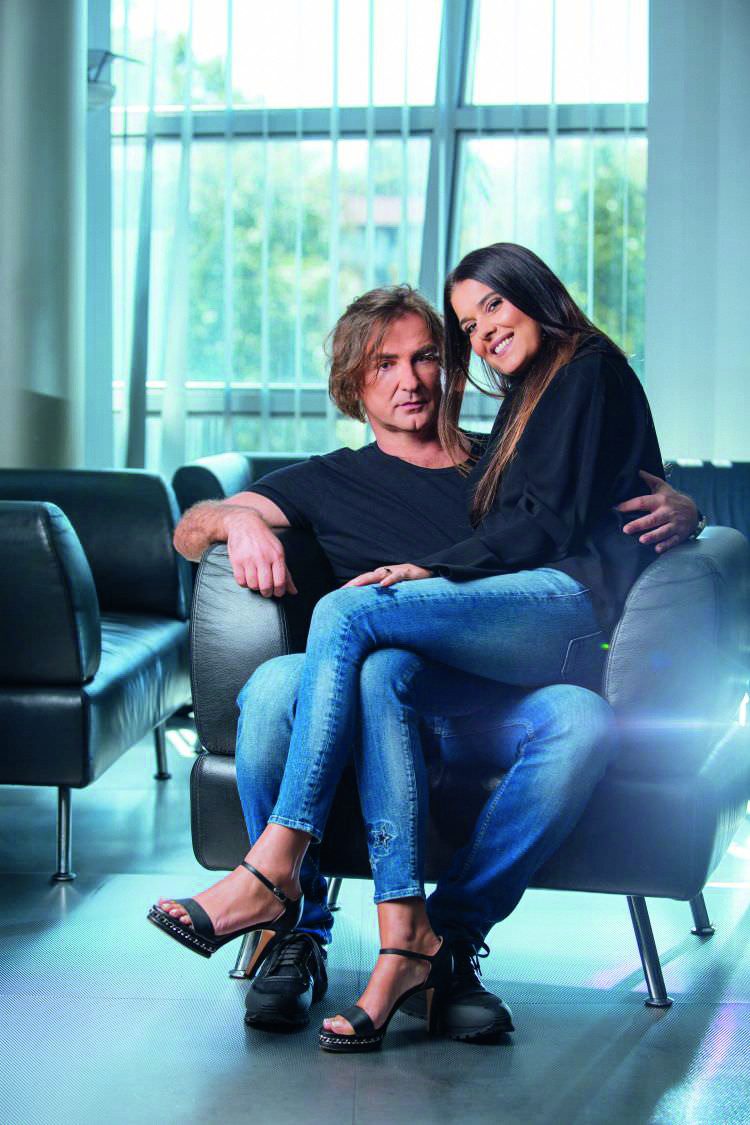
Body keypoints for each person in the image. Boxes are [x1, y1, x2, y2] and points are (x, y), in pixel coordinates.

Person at [151, 270, 697, 1050]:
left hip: (491, 702)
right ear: (353, 385)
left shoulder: (508, 456)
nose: (410, 380)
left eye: (426, 357)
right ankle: (296, 926)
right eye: (384, 364)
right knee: (272, 687)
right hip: (372, 701)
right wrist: (238, 522)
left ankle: (445, 943)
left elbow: (606, 493)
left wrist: (683, 509)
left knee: (583, 720)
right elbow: (188, 527)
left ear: (453, 365)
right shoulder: (325, 480)